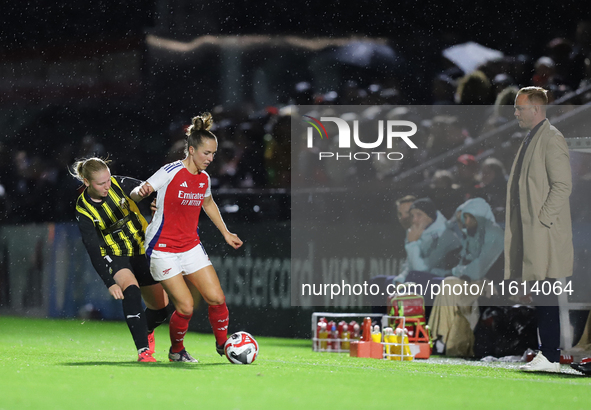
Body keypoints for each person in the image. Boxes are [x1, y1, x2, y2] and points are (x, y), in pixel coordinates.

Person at [134, 112, 243, 363]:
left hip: (190, 245)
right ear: (191, 150)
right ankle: (176, 351)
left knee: (217, 298)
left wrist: (225, 233)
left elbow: (208, 202)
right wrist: (142, 192)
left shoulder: (204, 178)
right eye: (206, 153)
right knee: (185, 307)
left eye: (213, 154)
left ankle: (222, 345)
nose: (211, 158)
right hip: (162, 247)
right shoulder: (170, 171)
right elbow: (137, 192)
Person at [71, 158, 170, 362]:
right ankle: (143, 351)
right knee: (131, 292)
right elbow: (93, 249)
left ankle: (146, 329)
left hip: (143, 249)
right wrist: (109, 282)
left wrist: (156, 202)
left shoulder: (119, 183)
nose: (107, 185)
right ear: (86, 182)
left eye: (108, 180)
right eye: (101, 183)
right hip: (116, 255)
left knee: (161, 310)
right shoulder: (84, 209)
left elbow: (151, 187)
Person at [506, 86, 573, 373]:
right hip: (535, 231)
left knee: (546, 293)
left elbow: (563, 185)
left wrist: (542, 220)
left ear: (535, 108)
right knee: (541, 293)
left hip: (543, 232)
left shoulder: (551, 138)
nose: (516, 112)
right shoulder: (534, 137)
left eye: (520, 107)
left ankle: (550, 356)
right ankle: (547, 354)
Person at [428, 198, 504, 356]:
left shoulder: (494, 232)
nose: (466, 222)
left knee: (449, 285)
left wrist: (456, 272)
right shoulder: (473, 233)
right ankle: (444, 340)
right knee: (448, 285)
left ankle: (441, 338)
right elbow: (465, 266)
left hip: (493, 284)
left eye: (469, 217)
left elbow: (478, 269)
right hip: (474, 281)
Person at [392, 198, 461, 286]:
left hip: (443, 280)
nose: (414, 220)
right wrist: (400, 279)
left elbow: (421, 270)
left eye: (419, 215)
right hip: (421, 277)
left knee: (414, 277)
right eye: (412, 216)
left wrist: (412, 244)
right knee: (380, 281)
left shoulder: (444, 235)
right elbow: (410, 265)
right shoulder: (417, 231)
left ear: (430, 216)